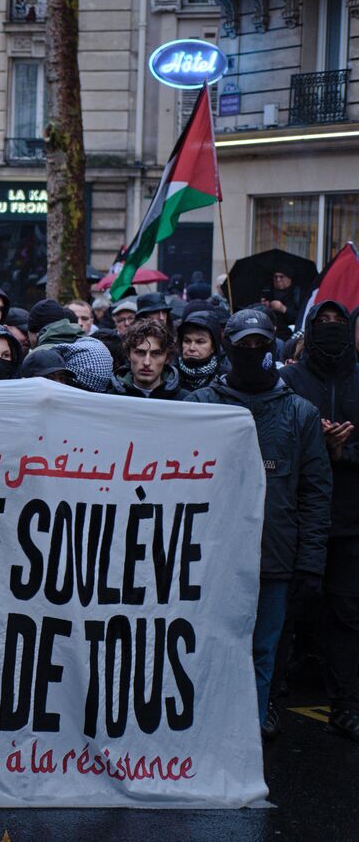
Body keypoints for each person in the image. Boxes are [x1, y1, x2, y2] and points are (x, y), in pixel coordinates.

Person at [185, 308, 331, 733]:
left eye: (259, 345)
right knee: (207, 646)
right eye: (243, 345)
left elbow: (315, 493)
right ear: (227, 346)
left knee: (264, 650)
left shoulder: (301, 413)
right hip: (210, 557)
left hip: (275, 556)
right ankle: (204, 728)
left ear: (272, 345)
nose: (251, 352)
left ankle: (249, 729)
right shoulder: (200, 406)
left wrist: (310, 562)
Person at [279, 301, 359, 742]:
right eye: (322, 323)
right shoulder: (291, 381)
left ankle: (346, 704)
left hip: (349, 520)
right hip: (298, 517)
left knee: (346, 613)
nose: (330, 329)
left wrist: (344, 451)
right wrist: (316, 443)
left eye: (337, 323)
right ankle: (273, 700)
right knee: (289, 610)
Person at [108, 317, 184, 399]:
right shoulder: (110, 398)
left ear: (167, 358)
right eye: (140, 352)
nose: (146, 362)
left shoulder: (185, 400)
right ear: (128, 354)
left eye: (156, 353)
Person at [177, 311, 228, 393]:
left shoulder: (225, 378)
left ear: (213, 347)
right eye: (187, 341)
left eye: (200, 342)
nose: (192, 348)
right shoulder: (169, 376)